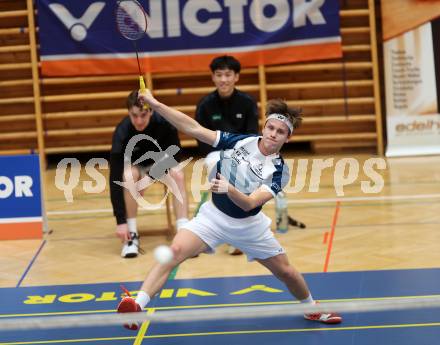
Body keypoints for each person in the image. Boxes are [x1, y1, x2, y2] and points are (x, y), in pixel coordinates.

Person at [116, 89, 342, 327]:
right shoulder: (241, 141)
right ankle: (137, 306)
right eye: (271, 128)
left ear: (288, 138)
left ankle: (311, 307)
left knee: (285, 271)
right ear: (264, 128)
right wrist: (156, 104)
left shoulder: (279, 170)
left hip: (248, 227)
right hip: (212, 218)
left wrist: (229, 188)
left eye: (281, 132)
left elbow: (251, 203)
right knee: (175, 251)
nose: (273, 134)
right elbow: (194, 128)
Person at [109, 90, 189, 258]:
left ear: (151, 110)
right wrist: (120, 221)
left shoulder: (165, 123)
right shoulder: (122, 132)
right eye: (134, 115)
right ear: (128, 112)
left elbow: (175, 154)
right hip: (136, 166)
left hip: (160, 164)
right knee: (128, 176)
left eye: (143, 115)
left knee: (178, 175)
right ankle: (131, 236)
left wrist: (148, 179)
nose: (139, 121)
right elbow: (115, 178)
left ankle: (183, 235)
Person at [195, 55, 259, 255]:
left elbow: (252, 137)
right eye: (219, 75)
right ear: (213, 77)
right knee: (222, 179)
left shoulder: (248, 103)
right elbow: (201, 141)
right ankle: (218, 231)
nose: (223, 79)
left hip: (243, 154)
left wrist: (237, 157)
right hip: (214, 155)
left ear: (236, 77)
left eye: (228, 75)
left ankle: (236, 234)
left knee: (239, 177)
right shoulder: (205, 105)